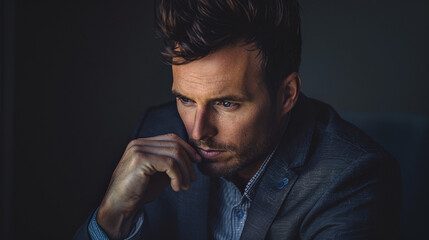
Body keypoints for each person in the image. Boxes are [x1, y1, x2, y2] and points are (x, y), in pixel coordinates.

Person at [74, 0, 402, 239]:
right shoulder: (157, 135)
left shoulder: (353, 178)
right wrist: (112, 216)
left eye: (227, 103)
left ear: (287, 94)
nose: (197, 131)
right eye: (186, 99)